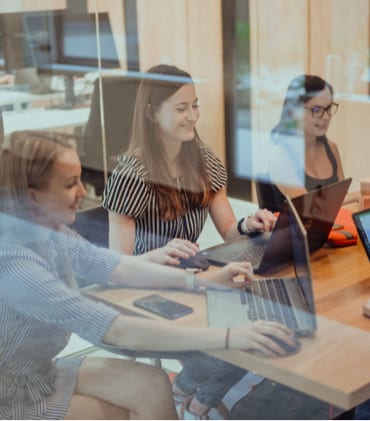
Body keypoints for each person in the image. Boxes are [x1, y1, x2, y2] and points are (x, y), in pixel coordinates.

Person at [0, 130, 295, 420]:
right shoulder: (16, 267)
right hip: (10, 401)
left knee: (154, 386)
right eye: (70, 184)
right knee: (118, 414)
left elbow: (115, 265)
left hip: (39, 374)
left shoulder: (50, 233)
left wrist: (200, 282)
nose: (82, 192)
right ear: (33, 198)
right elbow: (113, 328)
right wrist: (229, 336)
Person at [102, 64, 276, 417]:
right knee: (240, 334)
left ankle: (193, 396)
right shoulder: (131, 175)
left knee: (267, 321)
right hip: (145, 288)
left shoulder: (203, 160)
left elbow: (229, 231)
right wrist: (159, 253)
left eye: (195, 105)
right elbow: (115, 264)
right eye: (181, 108)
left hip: (194, 278)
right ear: (152, 113)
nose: (193, 116)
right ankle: (185, 393)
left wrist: (250, 223)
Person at [267, 74, 356, 209]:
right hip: (298, 230)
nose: (326, 117)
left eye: (328, 108)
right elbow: (308, 209)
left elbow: (341, 202)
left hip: (331, 228)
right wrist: (358, 195)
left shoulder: (331, 148)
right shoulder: (280, 155)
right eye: (316, 110)